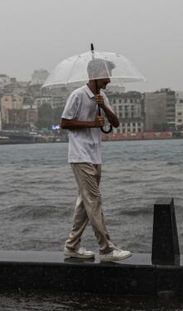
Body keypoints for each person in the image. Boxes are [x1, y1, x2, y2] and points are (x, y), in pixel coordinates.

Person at [60, 58, 132, 262]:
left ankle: (72, 246)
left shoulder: (102, 96)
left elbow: (116, 123)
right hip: (80, 155)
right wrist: (91, 123)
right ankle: (106, 249)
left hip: (95, 155)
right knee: (94, 200)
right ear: (96, 73)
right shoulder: (78, 95)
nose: (109, 79)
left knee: (85, 202)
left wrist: (104, 108)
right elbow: (64, 123)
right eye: (107, 74)